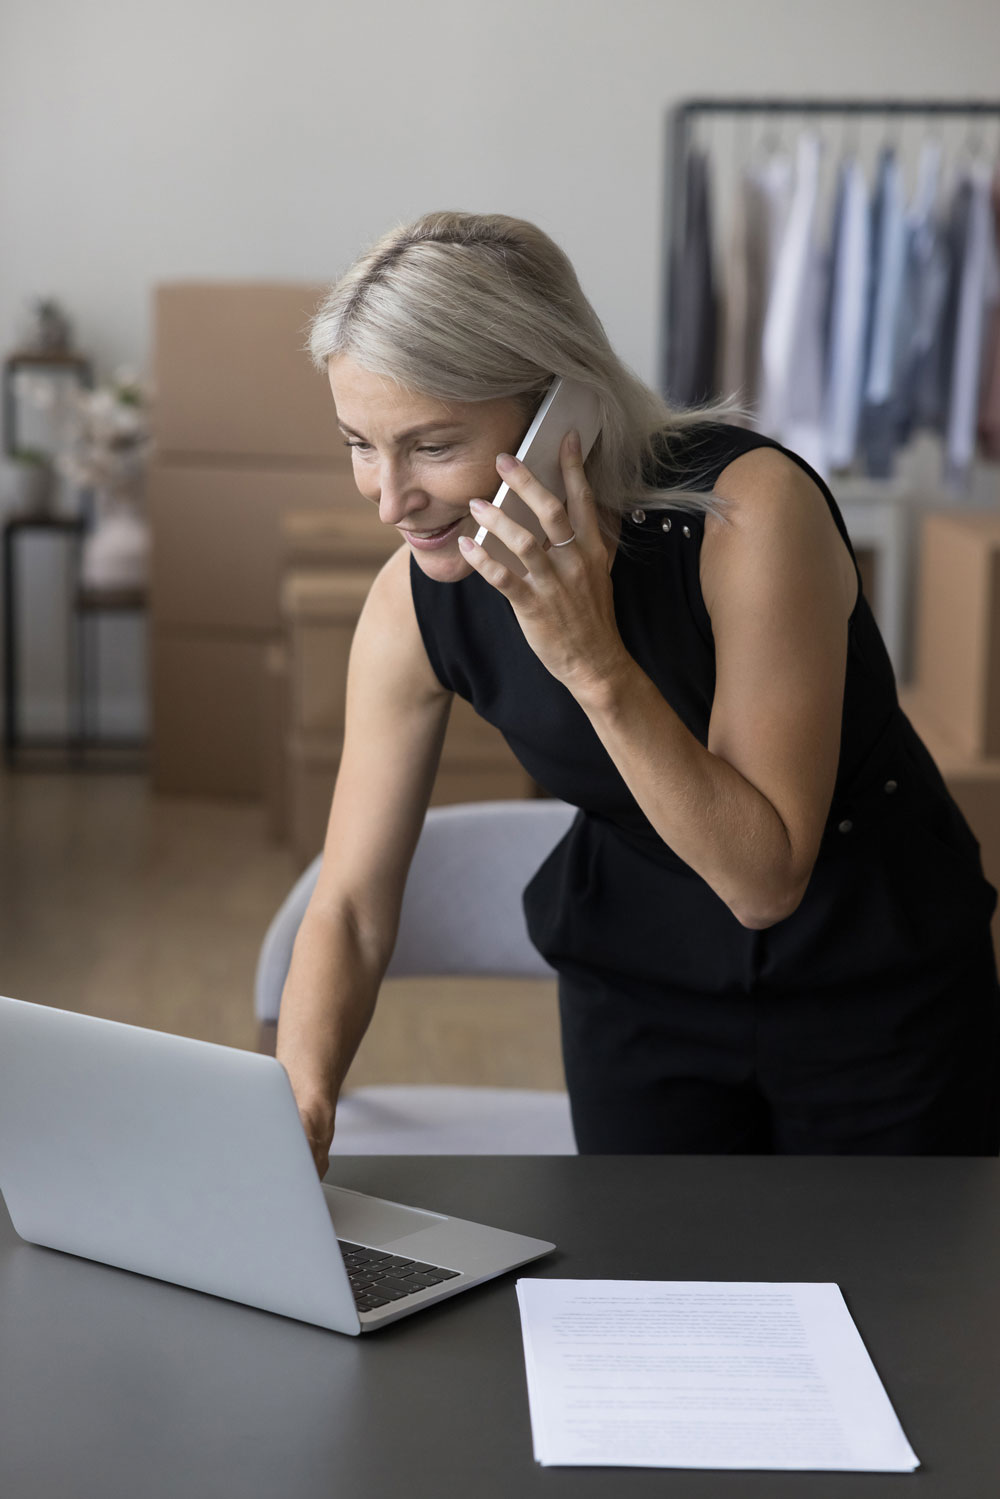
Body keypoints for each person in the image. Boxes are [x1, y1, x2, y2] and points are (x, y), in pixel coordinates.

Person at [276, 209, 1000, 1172]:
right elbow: (352, 905)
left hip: (874, 972)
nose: (387, 496)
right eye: (359, 443)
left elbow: (763, 878)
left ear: (560, 405)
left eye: (432, 445)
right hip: (638, 980)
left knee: (894, 1307)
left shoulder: (750, 513)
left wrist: (591, 661)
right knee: (656, 1302)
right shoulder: (414, 604)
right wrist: (300, 1098)